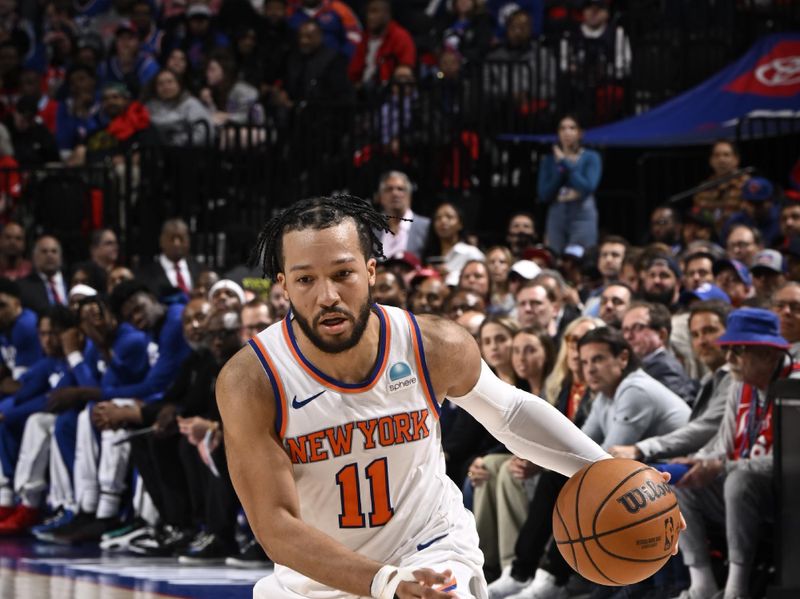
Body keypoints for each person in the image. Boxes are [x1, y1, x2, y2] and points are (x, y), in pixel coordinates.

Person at [216, 194, 646, 599]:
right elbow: (275, 525)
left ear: (370, 272)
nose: (327, 296)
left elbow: (511, 413)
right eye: (306, 279)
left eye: (343, 274)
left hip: (432, 552)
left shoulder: (432, 344)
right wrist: (387, 583)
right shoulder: (252, 380)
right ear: (284, 286)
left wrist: (615, 474)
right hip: (316, 579)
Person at [671, 308, 800, 599]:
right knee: (681, 480)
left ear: (768, 354)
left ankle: (736, 589)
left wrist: (721, 467)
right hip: (740, 491)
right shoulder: (739, 385)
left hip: (789, 495)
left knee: (738, 479)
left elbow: (788, 462)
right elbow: (722, 444)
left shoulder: (796, 385)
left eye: (737, 352)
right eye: (727, 350)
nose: (728, 361)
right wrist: (699, 461)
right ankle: (701, 584)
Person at [609, 300, 734, 462]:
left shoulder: (736, 378)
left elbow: (707, 427)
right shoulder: (709, 379)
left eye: (709, 331)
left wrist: (641, 449)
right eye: (695, 335)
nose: (702, 341)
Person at [536, 115, 602, 253]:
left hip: (582, 213)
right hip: (557, 212)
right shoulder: (548, 160)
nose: (567, 132)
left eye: (572, 128)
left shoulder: (591, 157)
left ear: (580, 133)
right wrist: (561, 166)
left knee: (578, 256)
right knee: (555, 255)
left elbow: (587, 186)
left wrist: (564, 163)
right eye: (562, 128)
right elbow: (544, 193)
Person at [376, 171, 430, 259]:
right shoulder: (371, 228)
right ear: (381, 197)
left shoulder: (426, 227)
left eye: (400, 189)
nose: (395, 193)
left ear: (409, 195)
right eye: (389, 189)